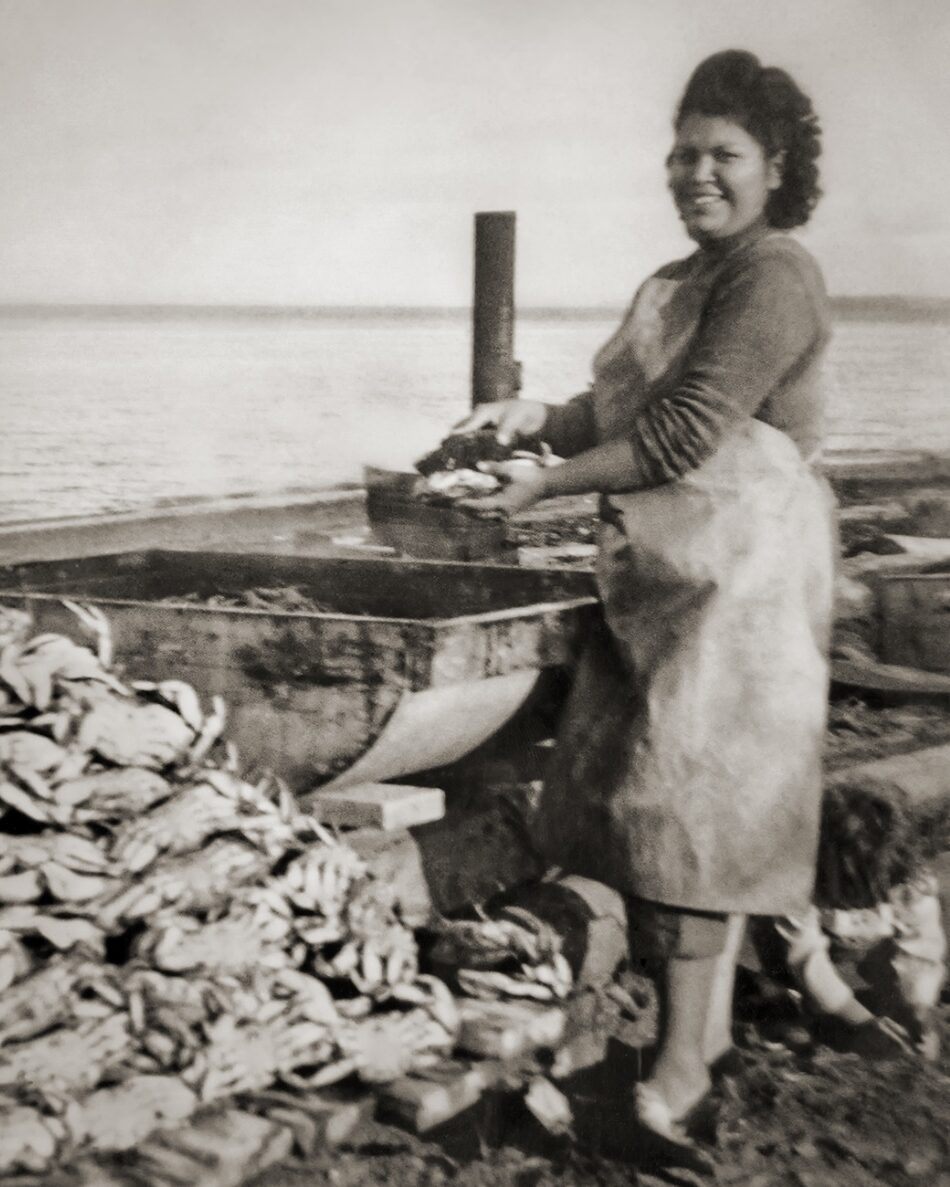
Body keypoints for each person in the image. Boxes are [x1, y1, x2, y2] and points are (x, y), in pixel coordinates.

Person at [455, 49, 836, 1166]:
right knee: (672, 807)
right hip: (674, 571)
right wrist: (531, 418)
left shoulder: (774, 276)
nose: (695, 173)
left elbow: (678, 437)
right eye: (681, 153)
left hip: (746, 582)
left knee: (691, 816)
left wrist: (538, 487)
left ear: (775, 167)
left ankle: (670, 1080)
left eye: (722, 154)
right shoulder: (680, 278)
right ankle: (699, 1050)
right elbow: (621, 408)